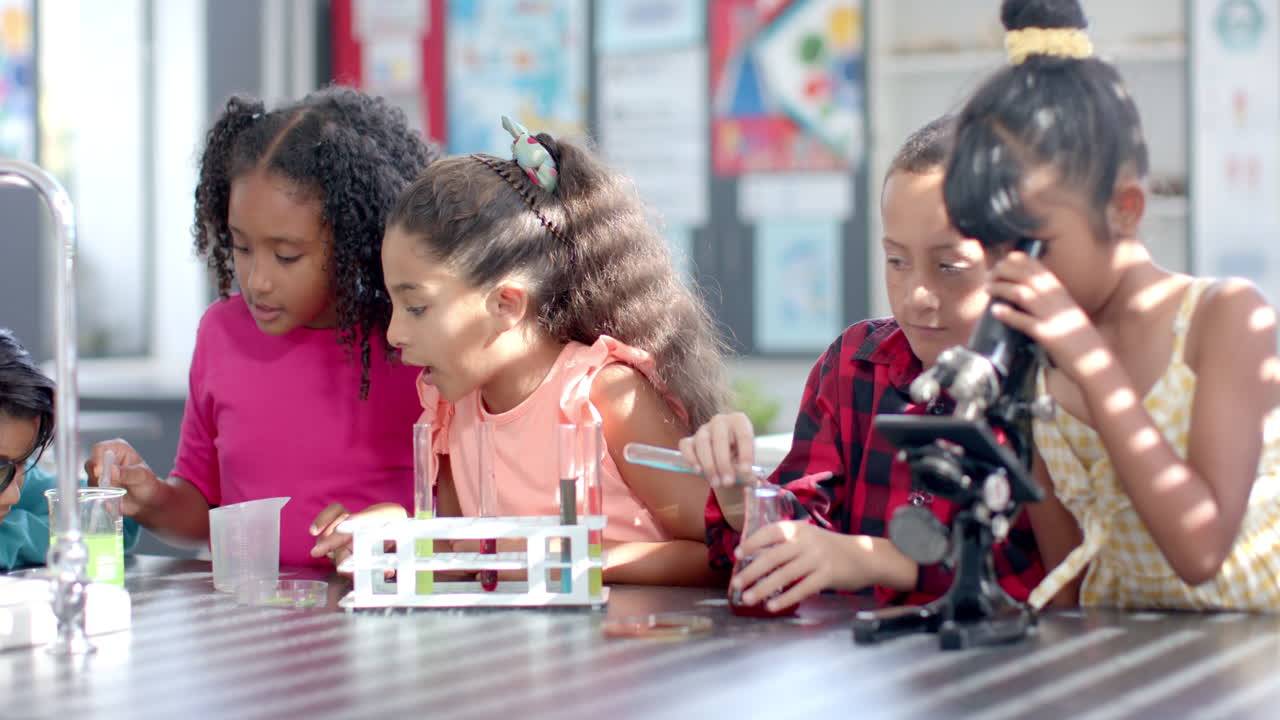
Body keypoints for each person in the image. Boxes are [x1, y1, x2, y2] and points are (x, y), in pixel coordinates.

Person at [944, 0, 1280, 611]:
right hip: (1127, 645)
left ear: (1125, 209)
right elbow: (1068, 576)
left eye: (1031, 245)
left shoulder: (1225, 318)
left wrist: (1091, 361)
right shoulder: (1039, 360)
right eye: (990, 250)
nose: (1011, 272)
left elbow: (1201, 549)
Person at [311, 117, 730, 585]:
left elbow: (720, 551)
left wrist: (570, 558)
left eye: (417, 307)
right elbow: (465, 556)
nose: (393, 334)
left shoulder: (606, 396)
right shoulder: (452, 408)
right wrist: (396, 538)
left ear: (506, 304)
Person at [680, 117, 1044, 614]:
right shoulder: (855, 364)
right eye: (896, 261)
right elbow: (802, 535)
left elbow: (1044, 577)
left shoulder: (1046, 386)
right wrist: (742, 497)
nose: (916, 295)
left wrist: (876, 561)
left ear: (1020, 263)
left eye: (949, 267)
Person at [85, 86, 441, 567]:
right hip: (248, 606)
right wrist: (150, 497)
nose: (257, 280)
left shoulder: (410, 345)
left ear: (354, 240)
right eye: (241, 247)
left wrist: (395, 533)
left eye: (287, 255)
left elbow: (464, 513)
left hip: (376, 605)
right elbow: (204, 513)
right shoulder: (221, 334)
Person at [0, 329, 139, 570]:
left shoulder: (16, 477)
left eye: (24, 461)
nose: (14, 496)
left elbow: (109, 520)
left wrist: (15, 535)